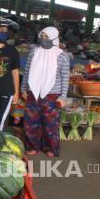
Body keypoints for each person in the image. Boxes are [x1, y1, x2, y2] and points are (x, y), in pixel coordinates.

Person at [21, 26, 70, 157]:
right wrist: (23, 88)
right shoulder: (34, 52)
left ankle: (50, 147)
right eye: (41, 37)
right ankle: (32, 146)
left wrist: (63, 97)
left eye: (46, 37)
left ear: (54, 38)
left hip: (53, 95)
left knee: (50, 124)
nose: (43, 40)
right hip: (33, 92)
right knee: (31, 121)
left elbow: (65, 78)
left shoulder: (62, 55)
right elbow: (27, 71)